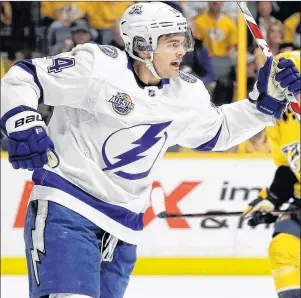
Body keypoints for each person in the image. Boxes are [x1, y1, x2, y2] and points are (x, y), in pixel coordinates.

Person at [0, 2, 300, 298]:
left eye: (183, 42)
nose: (182, 50)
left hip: (124, 229)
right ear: (143, 45)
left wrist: (263, 106)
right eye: (172, 43)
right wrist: (22, 120)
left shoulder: (185, 93)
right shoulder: (96, 66)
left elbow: (218, 132)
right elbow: (24, 77)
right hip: (68, 208)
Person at [243, 51, 300, 298]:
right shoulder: (279, 118)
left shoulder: (293, 61)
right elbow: (288, 168)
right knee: (283, 245)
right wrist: (272, 199)